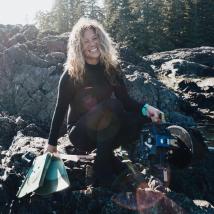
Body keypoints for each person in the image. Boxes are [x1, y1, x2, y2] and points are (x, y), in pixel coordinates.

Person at [44, 18, 164, 186]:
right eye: (86, 41)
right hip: (80, 132)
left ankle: (106, 156)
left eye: (95, 38)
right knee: (113, 106)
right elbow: (60, 109)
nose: (92, 44)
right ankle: (102, 166)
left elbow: (126, 101)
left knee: (138, 120)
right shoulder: (72, 74)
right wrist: (51, 146)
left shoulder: (111, 68)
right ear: (79, 46)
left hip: (105, 130)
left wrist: (147, 110)